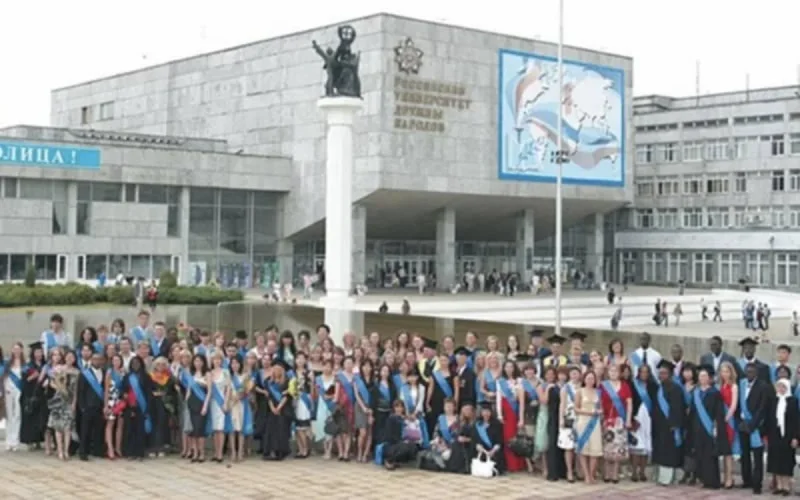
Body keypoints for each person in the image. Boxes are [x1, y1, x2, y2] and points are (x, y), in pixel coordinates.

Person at [691, 365, 728, 490]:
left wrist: (716, 426)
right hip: (697, 427)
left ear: (709, 378)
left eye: (704, 376)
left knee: (710, 455)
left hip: (709, 427)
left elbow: (719, 412)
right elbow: (692, 411)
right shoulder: (696, 392)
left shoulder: (714, 393)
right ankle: (704, 479)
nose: (702, 378)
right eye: (700, 376)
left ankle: (713, 481)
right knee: (700, 453)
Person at [652, 360, 686, 486]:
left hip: (670, 425)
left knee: (669, 451)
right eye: (660, 373)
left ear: (670, 374)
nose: (662, 376)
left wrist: (674, 424)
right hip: (659, 425)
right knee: (660, 450)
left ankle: (667, 478)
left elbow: (678, 408)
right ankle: (659, 476)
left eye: (664, 373)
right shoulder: (658, 388)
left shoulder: (676, 388)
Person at [738, 361, 770, 494]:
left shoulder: (763, 386)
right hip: (742, 424)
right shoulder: (741, 384)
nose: (749, 374)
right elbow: (739, 404)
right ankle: (747, 480)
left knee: (757, 456)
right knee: (744, 454)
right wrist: (740, 421)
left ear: (756, 373)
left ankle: (757, 484)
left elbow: (762, 408)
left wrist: (752, 425)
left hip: (755, 426)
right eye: (747, 371)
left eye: (752, 372)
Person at [766, 378, 798, 496]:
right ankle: (779, 485)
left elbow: (796, 420)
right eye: (779, 386)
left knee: (786, 460)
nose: (781, 389)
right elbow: (769, 418)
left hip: (788, 435)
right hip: (775, 434)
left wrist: (795, 437)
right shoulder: (773, 400)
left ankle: (786, 486)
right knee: (776, 459)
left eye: (783, 387)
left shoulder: (793, 401)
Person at [496, 360, 525, 473]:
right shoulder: (500, 382)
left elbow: (521, 402)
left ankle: (519, 464)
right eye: (507, 367)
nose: (509, 369)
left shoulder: (519, 381)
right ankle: (510, 464)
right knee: (508, 438)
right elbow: (498, 398)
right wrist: (499, 414)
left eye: (511, 367)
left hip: (516, 411)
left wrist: (521, 418)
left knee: (517, 438)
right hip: (506, 411)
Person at [120, 355, 152, 460]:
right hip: (129, 406)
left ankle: (140, 453)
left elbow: (149, 393)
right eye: (133, 363)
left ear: (141, 364)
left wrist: (147, 407)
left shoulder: (146, 377)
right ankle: (130, 452)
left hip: (142, 406)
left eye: (137, 363)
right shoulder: (127, 377)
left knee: (140, 431)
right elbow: (122, 390)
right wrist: (124, 394)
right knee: (130, 430)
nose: (135, 365)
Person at [574, 371, 603, 484]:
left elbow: (601, 407)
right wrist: (589, 412)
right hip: (583, 421)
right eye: (588, 378)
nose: (590, 380)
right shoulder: (579, 391)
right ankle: (586, 475)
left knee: (595, 449)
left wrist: (600, 412)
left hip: (595, 423)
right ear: (584, 379)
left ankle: (591, 474)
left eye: (592, 378)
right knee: (583, 449)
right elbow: (576, 409)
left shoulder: (598, 392)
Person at [629, 364, 656, 481]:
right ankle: (634, 472)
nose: (644, 374)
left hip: (648, 419)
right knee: (636, 446)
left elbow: (656, 402)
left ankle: (642, 472)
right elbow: (629, 402)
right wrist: (631, 418)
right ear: (638, 373)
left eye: (646, 372)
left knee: (645, 446)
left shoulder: (654, 386)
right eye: (642, 372)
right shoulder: (633, 385)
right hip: (636, 417)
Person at [77, 352, 106, 461]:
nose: (97, 361)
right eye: (95, 359)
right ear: (91, 361)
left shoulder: (104, 372)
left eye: (99, 359)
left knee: (99, 429)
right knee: (85, 430)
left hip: (100, 406)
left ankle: (97, 450)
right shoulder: (85, 374)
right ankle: (83, 452)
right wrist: (82, 406)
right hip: (88, 406)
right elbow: (80, 391)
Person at [263, 359, 294, 461]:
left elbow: (287, 396)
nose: (276, 371)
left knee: (281, 430)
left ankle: (281, 452)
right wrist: (273, 408)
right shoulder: (268, 381)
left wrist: (279, 407)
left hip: (283, 408)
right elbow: (268, 396)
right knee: (271, 430)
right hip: (272, 409)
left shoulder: (287, 381)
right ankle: (270, 451)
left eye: (279, 369)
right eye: (275, 369)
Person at [717, 361, 739, 488]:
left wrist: (726, 418)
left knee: (728, 451)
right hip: (721, 420)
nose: (724, 374)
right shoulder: (721, 385)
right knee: (724, 450)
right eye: (722, 371)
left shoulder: (734, 386)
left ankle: (730, 478)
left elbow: (733, 405)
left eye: (726, 371)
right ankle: (725, 477)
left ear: (731, 372)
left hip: (729, 421)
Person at [382, 399, 418, 470]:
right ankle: (388, 460)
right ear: (394, 408)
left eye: (401, 407)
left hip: (402, 442)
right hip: (392, 444)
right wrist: (401, 441)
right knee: (404, 447)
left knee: (413, 447)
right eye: (397, 407)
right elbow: (389, 436)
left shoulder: (404, 419)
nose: (399, 409)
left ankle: (397, 461)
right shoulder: (391, 418)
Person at [472, 401, 505, 475]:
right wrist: (479, 447)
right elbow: (475, 440)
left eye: (488, 411)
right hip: (481, 451)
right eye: (484, 411)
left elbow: (499, 441)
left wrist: (492, 451)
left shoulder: (497, 424)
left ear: (491, 412)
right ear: (481, 412)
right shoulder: (477, 424)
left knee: (496, 458)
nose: (486, 414)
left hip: (493, 451)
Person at [3, 342, 25, 451]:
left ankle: (15, 441)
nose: (16, 351)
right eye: (14, 349)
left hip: (19, 391)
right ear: (12, 350)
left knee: (17, 415)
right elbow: (4, 377)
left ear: (21, 350)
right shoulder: (7, 363)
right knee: (9, 416)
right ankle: (8, 441)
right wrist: (5, 388)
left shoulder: (24, 364)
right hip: (8, 391)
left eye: (18, 349)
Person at [454, 347, 475, 411]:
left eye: (461, 358)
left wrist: (468, 404)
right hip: (454, 402)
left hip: (465, 403)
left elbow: (471, 390)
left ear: (465, 359)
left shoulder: (470, 373)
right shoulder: (454, 371)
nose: (458, 360)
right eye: (457, 358)